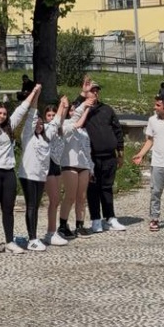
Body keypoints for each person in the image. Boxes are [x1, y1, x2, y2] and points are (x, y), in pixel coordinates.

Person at [0, 84, 41, 256]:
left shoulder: (10, 126)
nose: (2, 116)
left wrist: (34, 92)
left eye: (4, 113)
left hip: (8, 172)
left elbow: (21, 109)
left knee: (8, 209)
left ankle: (9, 241)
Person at [75, 77, 126, 233]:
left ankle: (110, 217)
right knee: (93, 188)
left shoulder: (107, 109)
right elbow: (72, 112)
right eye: (92, 90)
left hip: (109, 155)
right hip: (91, 157)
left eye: (97, 90)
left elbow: (117, 130)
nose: (95, 93)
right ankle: (96, 219)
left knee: (107, 187)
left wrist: (120, 152)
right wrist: (82, 95)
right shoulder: (81, 108)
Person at [18, 91, 66, 251]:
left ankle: (35, 236)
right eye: (36, 124)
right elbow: (32, 114)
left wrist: (61, 105)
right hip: (28, 176)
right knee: (31, 206)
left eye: (40, 124)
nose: (38, 125)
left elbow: (56, 122)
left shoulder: (47, 136)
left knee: (36, 205)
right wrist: (36, 95)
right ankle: (32, 238)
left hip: (40, 176)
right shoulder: (28, 136)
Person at [132, 93, 164, 231]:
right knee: (156, 192)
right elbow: (150, 140)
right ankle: (154, 219)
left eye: (158, 105)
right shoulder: (152, 120)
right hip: (157, 163)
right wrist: (141, 154)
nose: (155, 107)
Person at [58, 101, 93, 237]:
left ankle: (80, 224)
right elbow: (75, 123)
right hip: (69, 164)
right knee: (70, 196)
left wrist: (91, 168)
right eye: (72, 110)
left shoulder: (84, 131)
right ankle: (62, 225)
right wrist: (85, 108)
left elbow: (88, 150)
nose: (74, 113)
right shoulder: (65, 125)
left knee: (81, 197)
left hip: (83, 166)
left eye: (75, 110)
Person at [42, 100, 70, 246]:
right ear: (45, 117)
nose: (52, 117)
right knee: (54, 199)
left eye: (54, 114)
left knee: (56, 200)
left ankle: (52, 231)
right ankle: (50, 232)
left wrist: (65, 106)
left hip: (57, 164)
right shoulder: (47, 128)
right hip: (48, 164)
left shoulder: (59, 129)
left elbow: (61, 120)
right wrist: (61, 106)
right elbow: (57, 121)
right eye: (49, 115)